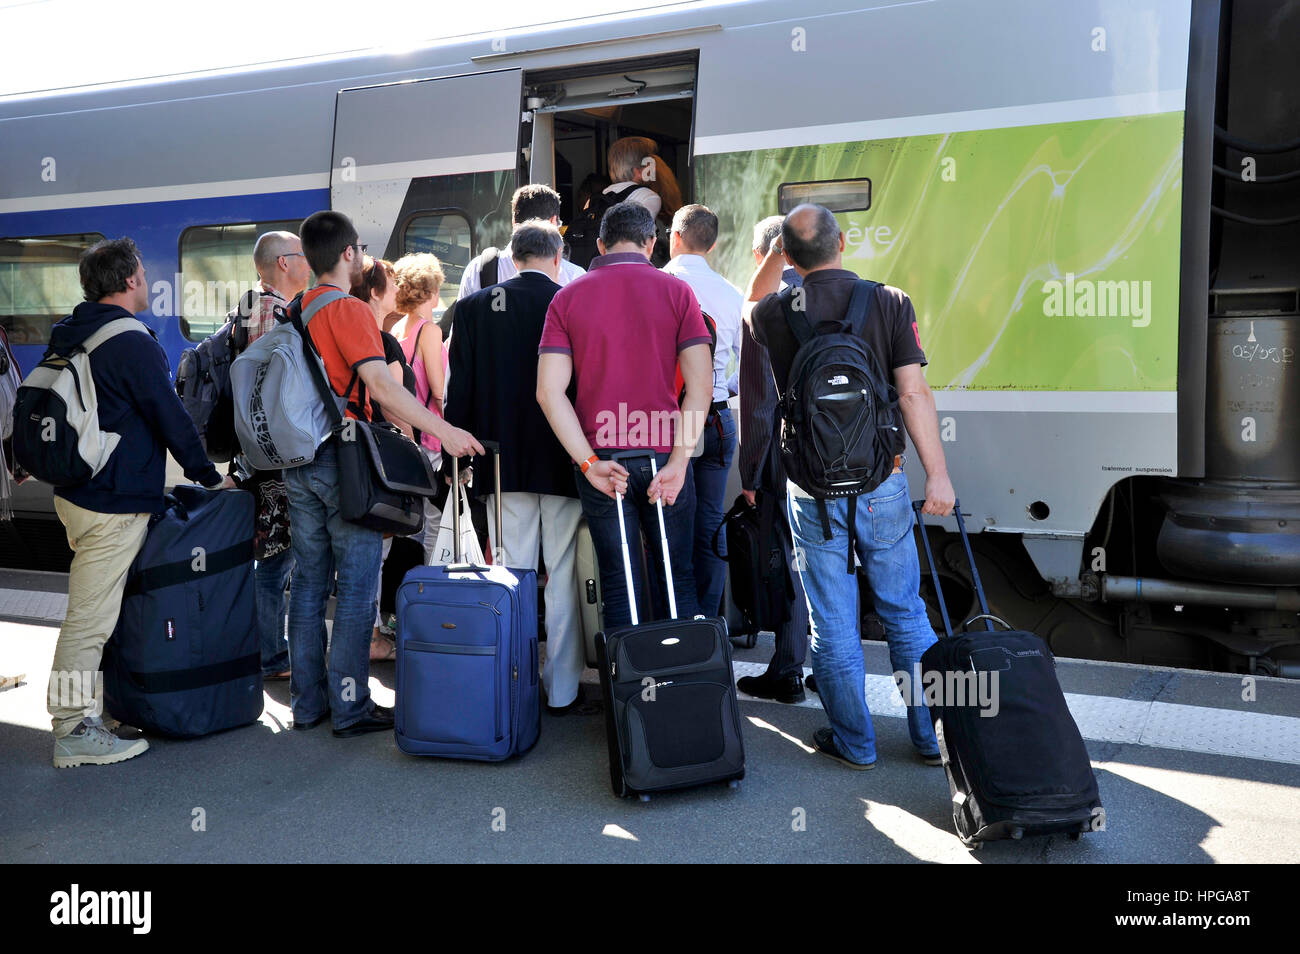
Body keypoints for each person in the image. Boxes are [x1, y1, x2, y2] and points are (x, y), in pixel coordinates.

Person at [747, 203, 956, 769]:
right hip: (882, 480)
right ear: (843, 243)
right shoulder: (888, 301)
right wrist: (937, 474)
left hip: (812, 489)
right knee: (905, 612)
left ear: (788, 256)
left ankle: (856, 743)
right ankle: (933, 736)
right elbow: (913, 393)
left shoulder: (776, 310)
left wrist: (774, 256)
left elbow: (748, 303)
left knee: (833, 620)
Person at [285, 211, 482, 737]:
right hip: (344, 460)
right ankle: (350, 708)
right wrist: (446, 430)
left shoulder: (296, 308)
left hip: (298, 461)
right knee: (355, 585)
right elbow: (384, 388)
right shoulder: (347, 309)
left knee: (307, 584)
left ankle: (307, 704)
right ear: (349, 253)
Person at [47, 237, 235, 767]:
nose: (148, 280)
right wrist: (208, 477)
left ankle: (95, 713)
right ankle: (70, 729)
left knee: (101, 613)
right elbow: (168, 414)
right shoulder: (129, 339)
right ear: (129, 280)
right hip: (111, 500)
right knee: (89, 619)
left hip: (79, 491)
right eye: (143, 273)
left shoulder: (75, 329)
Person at [537, 201, 713, 627]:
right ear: (652, 243)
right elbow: (701, 386)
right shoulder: (678, 292)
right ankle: (682, 685)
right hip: (662, 454)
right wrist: (678, 462)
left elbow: (549, 392)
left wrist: (589, 462)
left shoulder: (567, 297)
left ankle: (630, 693)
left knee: (620, 587)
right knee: (676, 582)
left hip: (605, 460)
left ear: (599, 243)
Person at [445, 219, 588, 713]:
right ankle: (564, 689)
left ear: (512, 257)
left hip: (499, 463)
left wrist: (454, 458)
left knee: (510, 572)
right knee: (565, 575)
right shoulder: (572, 302)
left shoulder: (471, 309)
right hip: (565, 458)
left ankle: (514, 677)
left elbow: (457, 392)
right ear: (557, 256)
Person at [733, 215, 810, 704]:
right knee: (833, 563)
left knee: (789, 562)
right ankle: (831, 666)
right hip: (844, 457)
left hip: (785, 456)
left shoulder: (767, 306)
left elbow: (759, 397)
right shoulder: (840, 290)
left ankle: (786, 670)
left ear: (762, 255)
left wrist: (752, 469)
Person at [661, 204, 742, 618]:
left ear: (673, 237)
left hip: (671, 422)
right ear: (713, 244)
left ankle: (676, 621)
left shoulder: (659, 285)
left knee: (672, 522)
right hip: (719, 419)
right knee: (711, 521)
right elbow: (739, 376)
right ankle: (710, 623)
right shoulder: (731, 294)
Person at [239, 230, 311, 683]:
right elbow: (272, 394)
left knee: (275, 555)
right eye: (302, 254)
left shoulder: (251, 307)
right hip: (275, 458)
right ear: (284, 263)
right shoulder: (271, 313)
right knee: (275, 559)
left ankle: (271, 653)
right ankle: (272, 657)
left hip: (264, 453)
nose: (308, 261)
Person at [350, 256, 418, 662]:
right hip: (384, 459)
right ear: (375, 291)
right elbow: (394, 405)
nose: (397, 290)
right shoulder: (383, 342)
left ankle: (369, 632)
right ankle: (372, 637)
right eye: (391, 283)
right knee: (376, 552)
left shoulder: (360, 336)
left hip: (361, 454)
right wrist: (414, 453)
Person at [390, 254, 451, 564]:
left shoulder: (398, 329)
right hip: (431, 439)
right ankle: (432, 591)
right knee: (435, 523)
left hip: (406, 436)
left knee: (411, 524)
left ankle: (406, 595)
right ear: (431, 291)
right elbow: (440, 393)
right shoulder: (429, 331)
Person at [456, 184, 586, 300]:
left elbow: (461, 325)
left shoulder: (478, 271)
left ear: (513, 221)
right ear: (553, 221)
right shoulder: (575, 276)